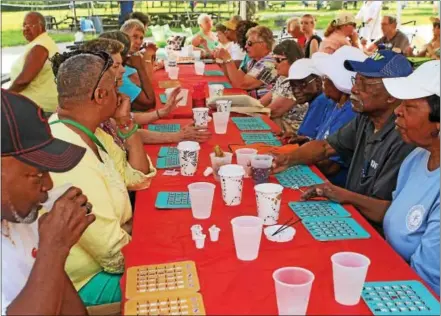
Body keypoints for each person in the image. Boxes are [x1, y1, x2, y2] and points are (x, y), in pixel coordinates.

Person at [273, 51, 416, 231]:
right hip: (350, 214)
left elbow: (387, 211)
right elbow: (325, 147)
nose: (355, 90)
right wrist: (286, 159)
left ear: (392, 95)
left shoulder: (404, 137)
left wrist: (343, 194)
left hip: (373, 231)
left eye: (364, 84)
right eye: (356, 81)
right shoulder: (365, 119)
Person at [48, 53, 139, 307]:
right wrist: (136, 231)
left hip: (114, 251)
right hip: (84, 282)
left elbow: (136, 179)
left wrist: (125, 123)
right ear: (100, 96)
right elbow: (114, 254)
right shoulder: (66, 154)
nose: (121, 93)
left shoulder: (88, 129)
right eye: (115, 87)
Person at [1, 90, 94, 315]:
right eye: (37, 174)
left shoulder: (17, 218)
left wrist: (51, 248)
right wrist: (53, 250)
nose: (49, 185)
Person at [382, 61, 440, 295]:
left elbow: (428, 280)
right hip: (394, 273)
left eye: (410, 106)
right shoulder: (416, 158)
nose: (398, 111)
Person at [99, 31, 212, 145]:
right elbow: (124, 132)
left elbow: (126, 120)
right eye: (116, 66)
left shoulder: (106, 90)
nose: (123, 70)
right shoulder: (100, 98)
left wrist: (162, 112)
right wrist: (178, 135)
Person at [303, 46, 365, 186]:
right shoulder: (334, 104)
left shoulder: (351, 111)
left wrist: (298, 155)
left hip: (333, 185)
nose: (323, 81)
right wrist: (305, 141)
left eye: (326, 78)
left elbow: (331, 166)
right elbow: (324, 138)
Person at [9, 12, 59, 115]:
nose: (26, 29)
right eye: (24, 25)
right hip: (38, 105)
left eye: (30, 25)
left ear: (41, 27)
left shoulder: (40, 46)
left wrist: (5, 96)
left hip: (38, 108)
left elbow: (23, 80)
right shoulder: (43, 42)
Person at [215, 26, 278, 99]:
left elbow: (240, 84)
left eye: (249, 43)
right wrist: (223, 62)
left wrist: (228, 60)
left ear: (263, 44)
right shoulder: (253, 61)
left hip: (262, 106)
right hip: (251, 101)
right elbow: (233, 79)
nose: (245, 46)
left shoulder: (270, 63)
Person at [259, 40, 306, 135]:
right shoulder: (282, 78)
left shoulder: (298, 82)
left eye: (278, 60)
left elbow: (272, 112)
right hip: (278, 126)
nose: (275, 64)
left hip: (292, 134)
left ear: (293, 60)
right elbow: (260, 103)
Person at [283, 58, 334, 144]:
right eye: (293, 86)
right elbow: (308, 136)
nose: (296, 91)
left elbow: (306, 134)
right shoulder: (318, 100)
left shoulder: (320, 101)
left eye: (302, 84)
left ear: (317, 82)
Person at [120, 19, 156, 111]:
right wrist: (147, 57)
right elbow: (149, 101)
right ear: (123, 37)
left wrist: (148, 56)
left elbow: (148, 83)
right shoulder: (121, 65)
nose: (139, 42)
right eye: (135, 37)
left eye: (141, 38)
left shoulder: (133, 57)